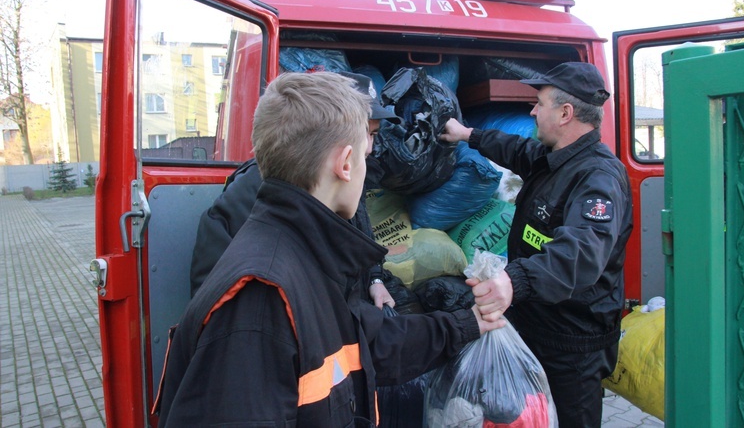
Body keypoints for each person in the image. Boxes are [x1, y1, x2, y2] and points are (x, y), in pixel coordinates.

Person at [156, 71, 504, 427]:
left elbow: (368, 344)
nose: (371, 156)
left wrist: (469, 323)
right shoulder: (261, 302)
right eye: (367, 151)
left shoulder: (307, 252)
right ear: (345, 163)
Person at [440, 62, 634, 428]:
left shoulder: (598, 178)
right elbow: (514, 149)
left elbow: (582, 251)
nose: (531, 110)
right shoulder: (554, 159)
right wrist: (465, 134)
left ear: (565, 113)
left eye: (539, 103)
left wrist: (514, 281)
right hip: (535, 321)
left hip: (572, 341)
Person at [189, 71, 400, 308]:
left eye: (374, 135)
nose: (370, 148)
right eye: (365, 133)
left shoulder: (343, 186)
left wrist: (375, 279)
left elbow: (358, 241)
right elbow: (221, 312)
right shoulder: (243, 203)